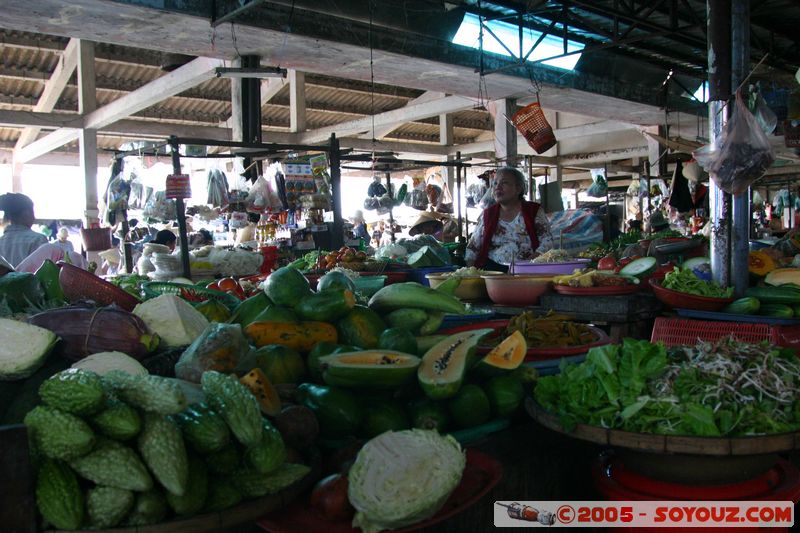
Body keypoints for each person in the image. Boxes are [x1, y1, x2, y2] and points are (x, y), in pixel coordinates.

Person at [465, 167, 553, 271]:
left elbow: (547, 242)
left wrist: (531, 263)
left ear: (518, 188)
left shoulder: (533, 211)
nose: (497, 187)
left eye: (504, 183)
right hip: (493, 271)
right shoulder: (487, 215)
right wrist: (470, 273)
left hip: (527, 270)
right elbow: (472, 248)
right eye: (495, 183)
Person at [0, 193, 48, 267]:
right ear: (26, 213)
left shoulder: (1, 241)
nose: (34, 217)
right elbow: (45, 273)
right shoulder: (38, 239)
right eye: (33, 212)